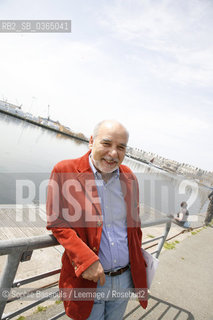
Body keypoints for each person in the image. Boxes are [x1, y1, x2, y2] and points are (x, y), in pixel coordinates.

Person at [46, 120, 148, 320]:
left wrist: (139, 263)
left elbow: (134, 226)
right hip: (89, 280)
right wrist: (86, 261)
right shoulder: (64, 170)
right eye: (107, 144)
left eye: (121, 147)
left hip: (125, 279)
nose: (113, 153)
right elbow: (57, 221)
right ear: (91, 142)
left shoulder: (130, 178)